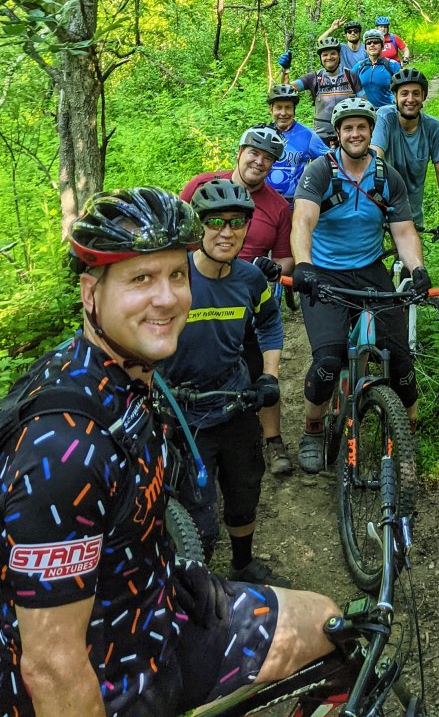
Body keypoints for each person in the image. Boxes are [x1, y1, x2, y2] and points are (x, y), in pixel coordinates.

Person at [0, 187, 340, 717]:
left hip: (161, 607)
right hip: (120, 677)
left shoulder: (120, 377)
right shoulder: (63, 452)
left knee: (330, 621)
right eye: (141, 279)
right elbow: (53, 667)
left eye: (177, 275)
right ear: (90, 292)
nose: (168, 298)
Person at [290, 97, 431, 473]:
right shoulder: (320, 171)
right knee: (328, 358)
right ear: (337, 134)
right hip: (324, 273)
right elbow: (303, 221)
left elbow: (404, 231)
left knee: (399, 358)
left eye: (362, 127)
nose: (355, 133)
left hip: (370, 271)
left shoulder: (386, 177)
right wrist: (304, 265)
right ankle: (313, 428)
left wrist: (417, 268)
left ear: (371, 131)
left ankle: (407, 430)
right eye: (348, 128)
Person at [161, 178, 289, 586]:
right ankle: (191, 585)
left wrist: (269, 375)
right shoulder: (175, 277)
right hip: (183, 413)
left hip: (235, 402)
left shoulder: (250, 280)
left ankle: (242, 564)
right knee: (198, 513)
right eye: (215, 222)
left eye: (237, 222)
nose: (226, 232)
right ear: (198, 227)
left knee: (245, 489)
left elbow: (269, 321)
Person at [181, 125, 294, 477]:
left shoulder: (277, 207)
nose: (259, 162)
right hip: (197, 286)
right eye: (254, 153)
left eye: (268, 158)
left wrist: (272, 269)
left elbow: (285, 258)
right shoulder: (201, 186)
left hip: (247, 293)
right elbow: (176, 233)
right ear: (240, 152)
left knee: (260, 367)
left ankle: (272, 439)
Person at [371, 66, 439, 234]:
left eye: (416, 93)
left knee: (410, 251)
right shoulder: (384, 117)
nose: (410, 99)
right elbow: (375, 158)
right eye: (404, 94)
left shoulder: (433, 128)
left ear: (423, 97)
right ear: (395, 97)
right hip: (379, 206)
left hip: (411, 212)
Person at [279, 38, 362, 146]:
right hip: (321, 137)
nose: (329, 57)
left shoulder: (351, 76)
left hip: (348, 135)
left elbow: (363, 103)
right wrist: (285, 70)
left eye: (333, 53)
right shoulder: (313, 78)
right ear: (320, 58)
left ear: (339, 55)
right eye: (325, 55)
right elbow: (287, 89)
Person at [265, 84, 328, 205]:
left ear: (294, 110)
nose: (283, 113)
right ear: (271, 109)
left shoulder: (307, 135)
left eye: (288, 107)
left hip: (295, 203)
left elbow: (331, 161)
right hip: (266, 201)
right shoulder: (263, 133)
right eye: (279, 107)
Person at [352, 30, 401, 108]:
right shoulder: (359, 66)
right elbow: (348, 85)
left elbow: (402, 89)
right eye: (368, 43)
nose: (372, 45)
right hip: (365, 111)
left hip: (388, 110)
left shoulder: (393, 65)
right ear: (365, 48)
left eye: (376, 42)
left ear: (382, 46)